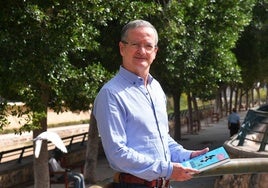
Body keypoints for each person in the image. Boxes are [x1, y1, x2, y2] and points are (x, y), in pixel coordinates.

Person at [93, 19, 209, 188]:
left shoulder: (155, 88)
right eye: (135, 44)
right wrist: (168, 169)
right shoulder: (110, 94)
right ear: (122, 48)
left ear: (155, 52)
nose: (142, 51)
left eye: (148, 46)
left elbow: (161, 139)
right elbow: (117, 153)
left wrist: (187, 156)